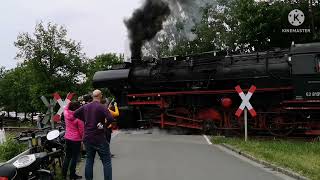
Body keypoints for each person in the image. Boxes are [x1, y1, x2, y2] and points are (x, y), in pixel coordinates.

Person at [74, 90, 114, 180]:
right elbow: (111, 118)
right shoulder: (102, 107)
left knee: (89, 160)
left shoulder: (85, 106)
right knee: (106, 161)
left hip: (87, 137)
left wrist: (85, 119)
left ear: (92, 96)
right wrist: (104, 126)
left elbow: (75, 113)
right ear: (100, 96)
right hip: (99, 137)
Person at [62, 101, 84, 180]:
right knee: (74, 158)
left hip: (67, 138)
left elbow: (65, 108)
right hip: (76, 140)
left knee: (67, 156)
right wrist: (82, 140)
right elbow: (82, 130)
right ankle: (72, 175)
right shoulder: (79, 118)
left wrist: (69, 102)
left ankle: (63, 175)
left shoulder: (66, 114)